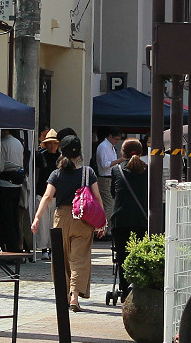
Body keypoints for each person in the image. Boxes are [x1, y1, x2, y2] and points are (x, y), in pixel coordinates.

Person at [31, 134, 102, 311]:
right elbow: (97, 197)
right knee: (80, 259)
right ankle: (74, 296)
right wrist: (102, 222)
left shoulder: (56, 174)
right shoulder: (88, 172)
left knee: (60, 259)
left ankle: (63, 295)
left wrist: (37, 218)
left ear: (62, 152)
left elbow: (47, 196)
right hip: (83, 218)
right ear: (79, 153)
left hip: (61, 217)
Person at [110, 138, 148, 300]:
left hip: (120, 220)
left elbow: (113, 193)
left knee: (122, 257)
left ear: (122, 153)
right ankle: (139, 288)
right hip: (141, 219)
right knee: (139, 255)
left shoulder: (116, 170)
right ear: (141, 153)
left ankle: (125, 292)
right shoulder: (147, 169)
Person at [33, 129, 60, 258]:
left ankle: (53, 248)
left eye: (54, 143)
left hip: (56, 194)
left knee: (54, 223)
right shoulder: (40, 155)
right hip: (42, 191)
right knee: (43, 223)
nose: (52, 145)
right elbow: (37, 173)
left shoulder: (61, 158)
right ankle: (44, 249)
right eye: (50, 143)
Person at [0, 129, 25, 253]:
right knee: (15, 217)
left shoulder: (2, 143)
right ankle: (17, 247)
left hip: (5, 183)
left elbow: (0, 166)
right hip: (17, 184)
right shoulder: (18, 143)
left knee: (7, 219)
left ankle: (10, 249)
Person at [95, 129, 122, 218]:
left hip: (110, 178)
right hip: (105, 178)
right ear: (110, 136)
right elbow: (105, 165)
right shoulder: (104, 146)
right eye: (116, 139)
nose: (117, 141)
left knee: (110, 205)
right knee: (110, 205)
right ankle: (103, 227)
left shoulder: (110, 146)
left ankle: (108, 229)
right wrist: (120, 160)